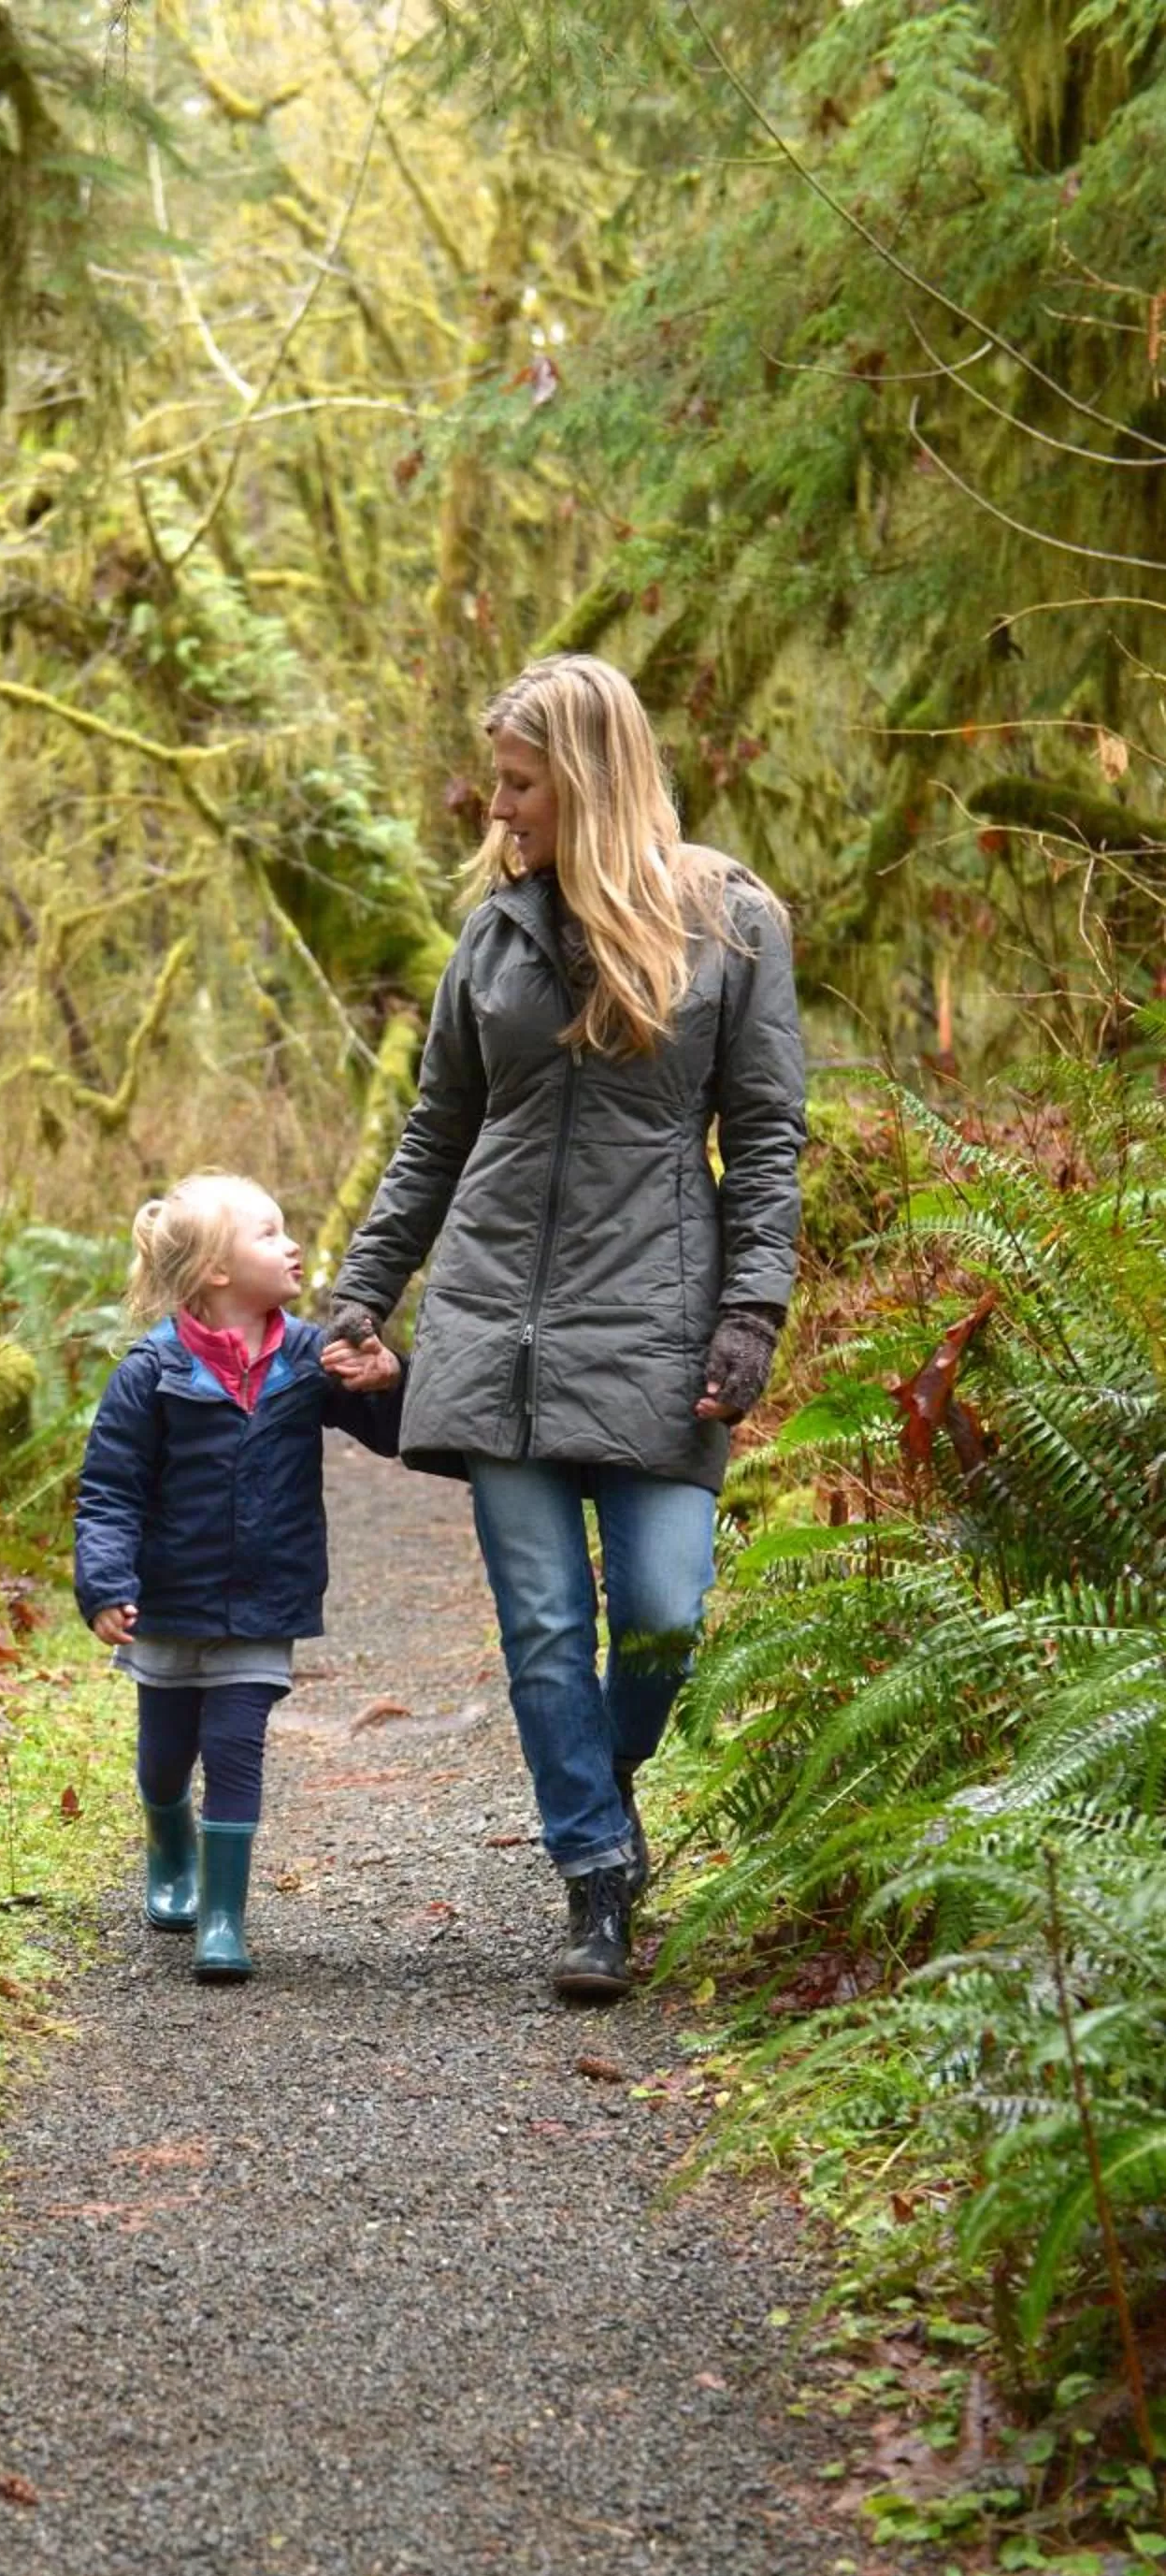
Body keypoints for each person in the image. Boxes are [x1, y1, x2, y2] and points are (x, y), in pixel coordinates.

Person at [326, 654, 806, 2003]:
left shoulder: (729, 921)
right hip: (493, 1316)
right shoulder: (494, 934)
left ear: (588, 779)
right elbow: (436, 1131)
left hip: (657, 1321)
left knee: (659, 1610)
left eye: (522, 783)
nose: (499, 808)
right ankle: (596, 1878)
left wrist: (749, 1312)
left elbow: (765, 1137)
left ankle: (599, 1783)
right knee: (543, 1624)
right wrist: (363, 1290)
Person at [75, 1175, 403, 1981]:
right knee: (163, 1756)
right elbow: (111, 1488)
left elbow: (393, 1435)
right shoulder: (150, 1372)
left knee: (235, 1749)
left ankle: (223, 1916)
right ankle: (170, 1843)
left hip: (263, 1600)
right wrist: (106, 1582)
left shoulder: (308, 1357)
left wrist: (386, 1379)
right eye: (269, 1234)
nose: (292, 1246)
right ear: (216, 1271)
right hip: (167, 1602)